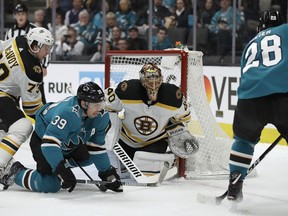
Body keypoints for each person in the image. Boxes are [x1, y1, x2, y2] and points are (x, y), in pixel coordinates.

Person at [0, 82, 123, 193]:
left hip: (67, 142)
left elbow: (96, 146)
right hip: (43, 141)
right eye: (96, 105)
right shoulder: (69, 113)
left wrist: (107, 173)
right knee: (51, 185)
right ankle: (14, 172)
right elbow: (49, 144)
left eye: (101, 103)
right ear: (84, 103)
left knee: (89, 156)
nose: (100, 108)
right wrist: (61, 168)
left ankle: (60, 166)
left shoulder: (101, 116)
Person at [226, 10, 286, 202]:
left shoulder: (250, 43)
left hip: (249, 100)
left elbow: (245, 73)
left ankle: (235, 184)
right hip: (283, 95)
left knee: (243, 141)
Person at [105, 63, 192, 174]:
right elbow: (108, 108)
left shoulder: (173, 97)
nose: (153, 81)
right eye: (150, 77)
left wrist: (177, 132)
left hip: (154, 142)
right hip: (124, 140)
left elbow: (184, 119)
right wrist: (113, 130)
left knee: (146, 174)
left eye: (155, 76)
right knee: (115, 170)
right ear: (141, 78)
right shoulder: (127, 90)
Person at [0, 27, 54, 179]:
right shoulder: (32, 70)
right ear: (35, 46)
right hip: (2, 94)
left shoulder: (20, 40)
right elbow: (32, 108)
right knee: (23, 126)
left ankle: (5, 160)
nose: (48, 52)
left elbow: (1, 46)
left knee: (5, 128)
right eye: (46, 48)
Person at [5, 3, 51, 104]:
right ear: (14, 16)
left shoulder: (34, 29)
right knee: (13, 101)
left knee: (39, 100)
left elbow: (45, 46)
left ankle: (41, 117)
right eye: (18, 14)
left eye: (22, 14)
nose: (20, 16)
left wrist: (44, 66)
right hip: (16, 72)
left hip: (33, 69)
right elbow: (6, 50)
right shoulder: (10, 31)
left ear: (27, 15)